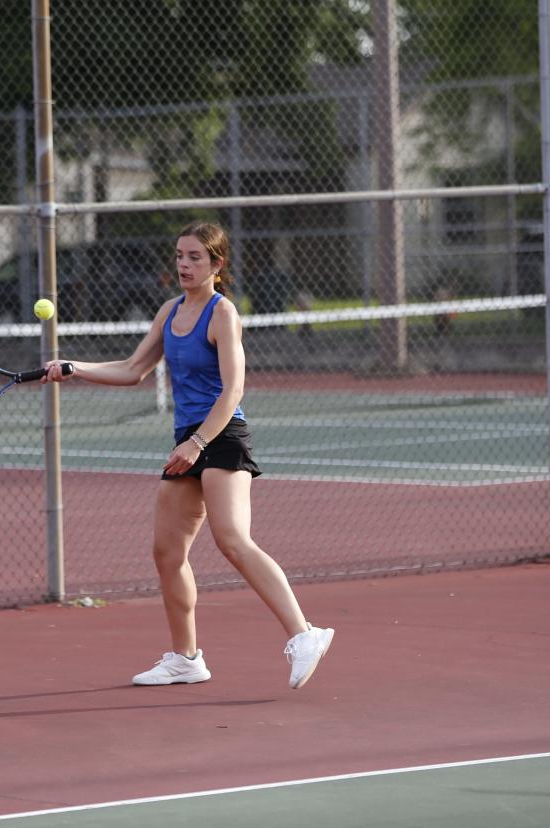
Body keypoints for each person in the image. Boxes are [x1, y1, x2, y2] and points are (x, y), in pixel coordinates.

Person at [42, 222, 334, 690]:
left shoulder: (223, 314)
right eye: (179, 255)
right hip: (187, 440)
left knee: (233, 540)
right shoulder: (169, 311)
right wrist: (75, 368)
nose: (183, 264)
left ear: (217, 265)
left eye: (195, 257)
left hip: (221, 436)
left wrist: (197, 443)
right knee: (167, 552)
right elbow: (134, 368)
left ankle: (305, 634)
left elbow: (234, 388)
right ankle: (186, 658)